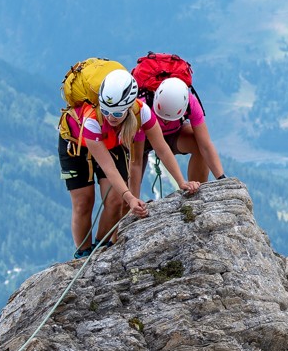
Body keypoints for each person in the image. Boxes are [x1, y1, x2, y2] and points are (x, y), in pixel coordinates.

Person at [58, 60, 199, 258]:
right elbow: (109, 168)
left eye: (116, 113)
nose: (110, 117)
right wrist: (131, 197)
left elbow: (163, 149)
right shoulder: (93, 119)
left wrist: (181, 182)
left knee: (115, 200)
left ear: (128, 107)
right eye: (106, 110)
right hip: (75, 143)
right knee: (83, 202)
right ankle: (83, 253)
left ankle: (100, 248)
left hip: (112, 142)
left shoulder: (141, 112)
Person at [146, 75, 226, 185]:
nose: (165, 122)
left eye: (169, 119)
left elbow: (205, 146)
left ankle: (196, 192)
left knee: (199, 144)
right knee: (133, 161)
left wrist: (221, 178)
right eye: (162, 117)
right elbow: (135, 162)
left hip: (175, 133)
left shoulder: (191, 103)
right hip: (145, 137)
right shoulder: (143, 106)